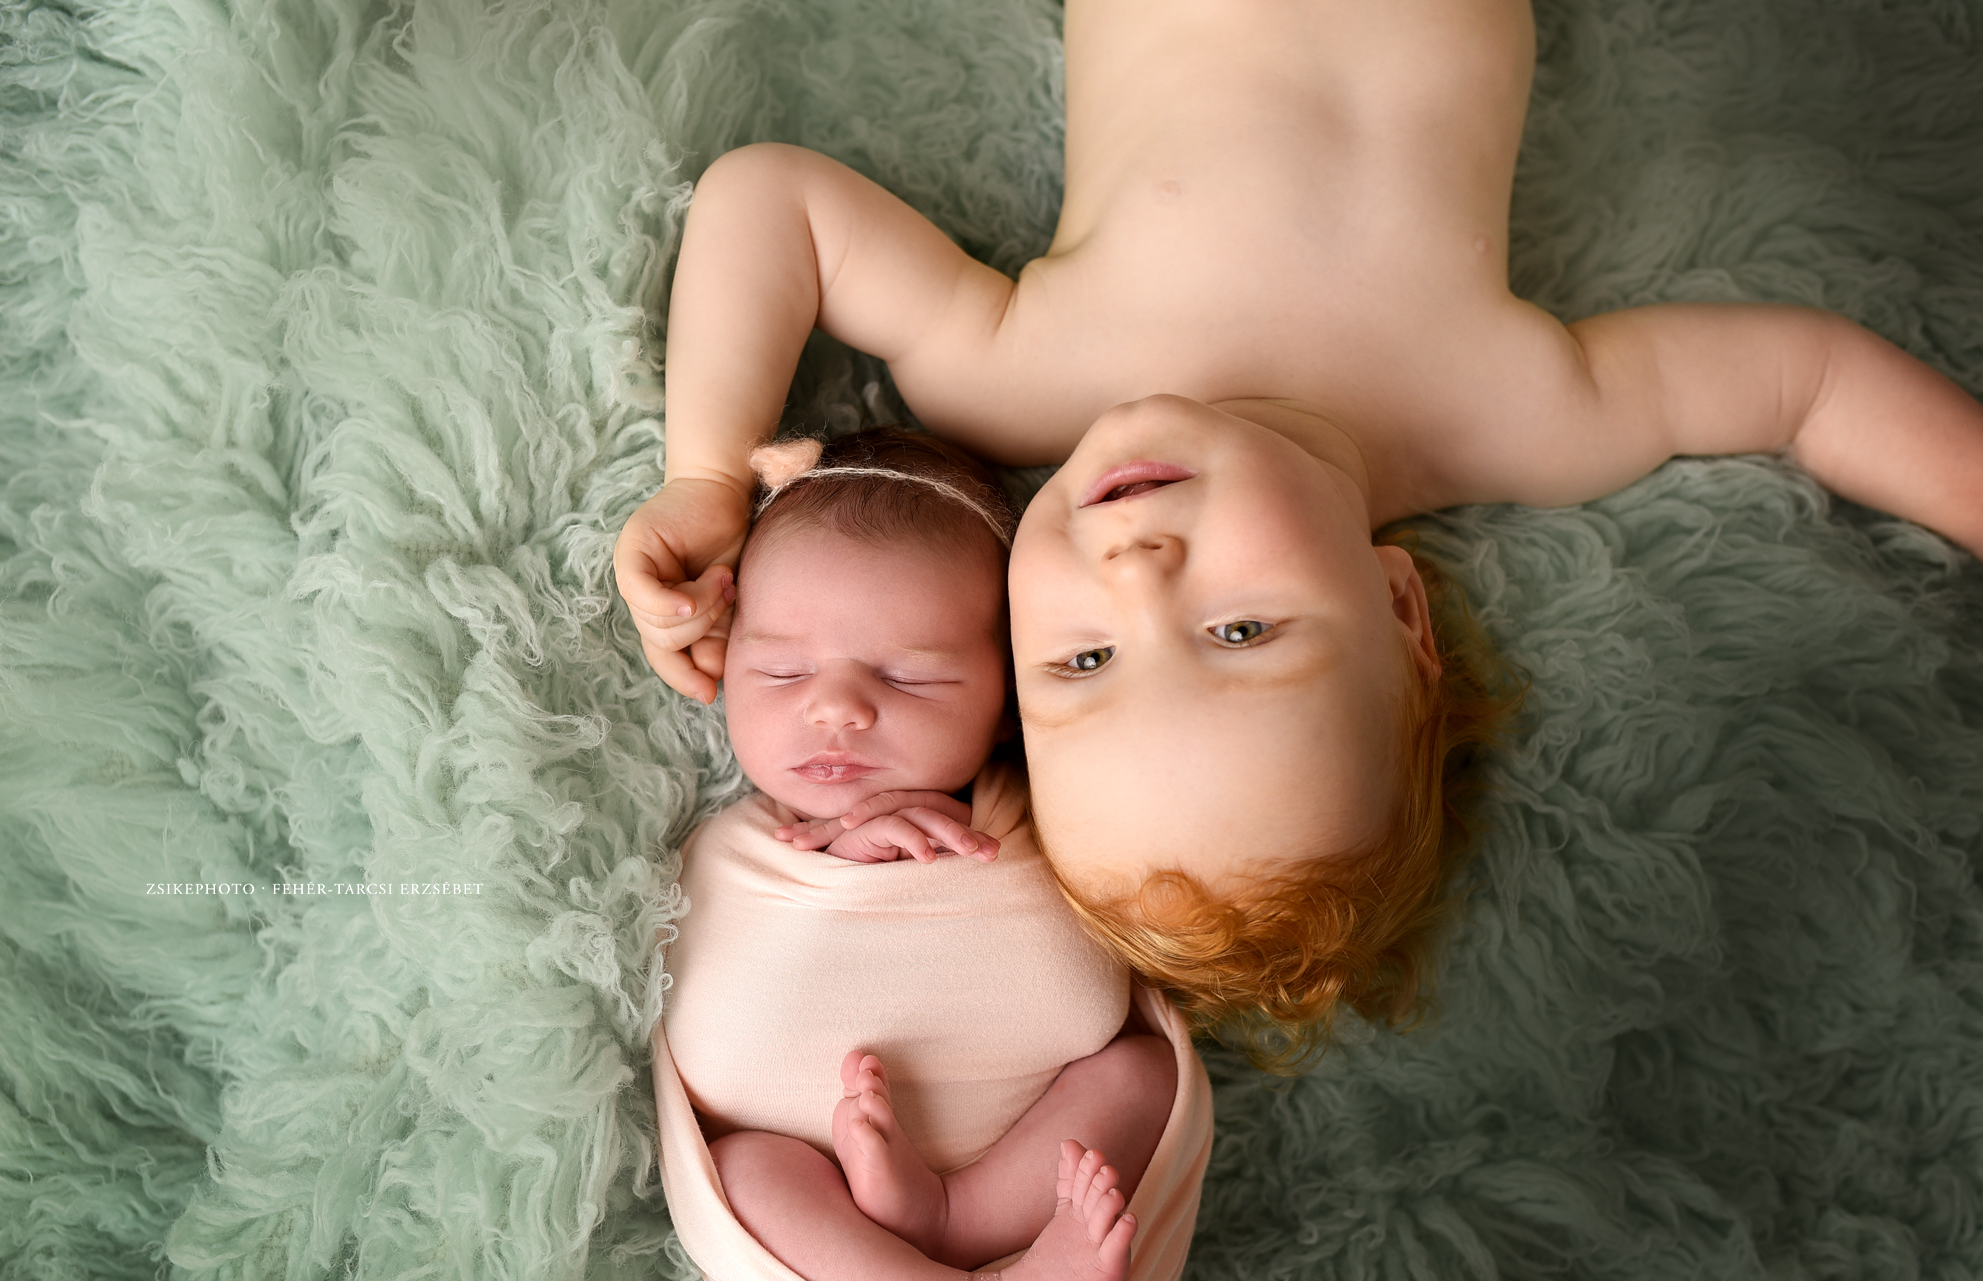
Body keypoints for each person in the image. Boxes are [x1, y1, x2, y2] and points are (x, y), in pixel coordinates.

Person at [618, 0, 1983, 1061]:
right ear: (1399, 607)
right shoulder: (1512, 414)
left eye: (1083, 661)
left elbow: (770, 203)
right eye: (1238, 631)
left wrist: (707, 478)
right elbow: (1806, 385)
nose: (1136, 574)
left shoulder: (1022, 374)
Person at [649, 428, 1213, 1281]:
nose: (835, 707)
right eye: (779, 669)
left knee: (1145, 1073)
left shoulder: (1041, 812)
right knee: (750, 1172)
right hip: (837, 1275)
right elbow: (710, 1025)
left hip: (1026, 1201)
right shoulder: (731, 850)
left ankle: (955, 1219)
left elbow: (1100, 968)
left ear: (1008, 698)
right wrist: (838, 860)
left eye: (909, 678)